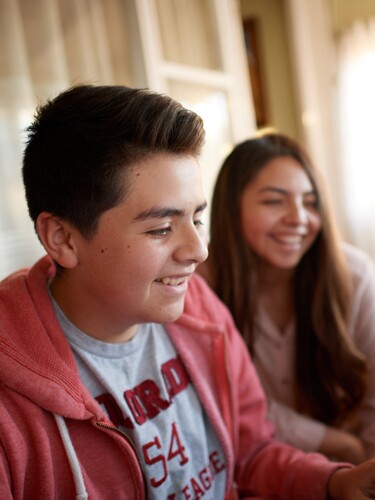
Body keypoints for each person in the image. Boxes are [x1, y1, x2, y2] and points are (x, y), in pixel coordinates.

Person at [0, 86, 375, 500]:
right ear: (63, 239)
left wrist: (333, 482)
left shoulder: (198, 308)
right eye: (161, 228)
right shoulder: (11, 407)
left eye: (197, 218)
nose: (199, 251)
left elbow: (250, 454)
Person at [197, 132, 375, 467]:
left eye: (310, 203)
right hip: (249, 471)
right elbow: (228, 402)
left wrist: (362, 467)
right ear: (231, 208)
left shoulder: (354, 275)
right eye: (274, 201)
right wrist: (337, 443)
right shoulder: (198, 288)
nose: (298, 218)